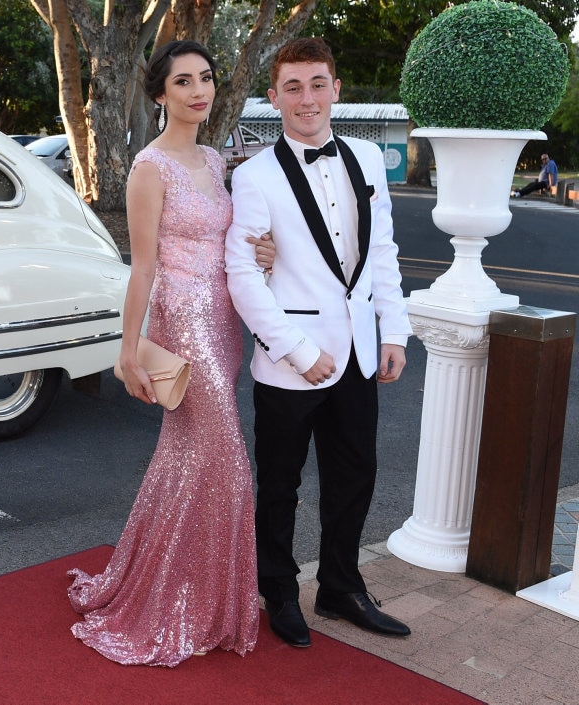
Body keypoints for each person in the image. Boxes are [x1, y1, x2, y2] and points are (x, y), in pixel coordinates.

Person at [67, 40, 274, 667]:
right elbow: (143, 267)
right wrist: (127, 350)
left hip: (226, 320)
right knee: (230, 464)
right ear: (160, 94)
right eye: (182, 82)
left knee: (187, 458)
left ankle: (179, 587)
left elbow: (231, 240)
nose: (198, 91)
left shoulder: (214, 160)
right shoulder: (148, 168)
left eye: (205, 78)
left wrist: (263, 255)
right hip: (183, 323)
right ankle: (182, 602)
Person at [224, 37, 413, 648]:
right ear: (274, 96)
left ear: (336, 88)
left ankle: (340, 587)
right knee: (280, 484)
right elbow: (243, 273)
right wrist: (297, 351)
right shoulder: (252, 175)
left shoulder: (365, 158)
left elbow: (381, 251)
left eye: (318, 83)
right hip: (290, 362)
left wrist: (394, 331)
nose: (308, 98)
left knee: (354, 474)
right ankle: (278, 591)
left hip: (360, 350)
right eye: (294, 86)